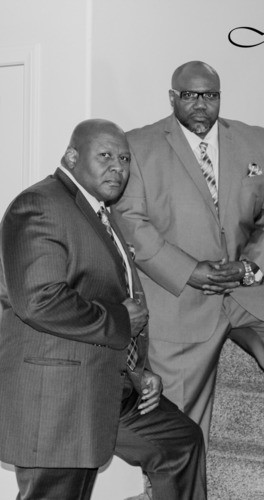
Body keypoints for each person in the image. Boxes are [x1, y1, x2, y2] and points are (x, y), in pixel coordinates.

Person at [113, 60, 264, 445]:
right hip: (180, 295)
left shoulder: (254, 139)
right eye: (190, 95)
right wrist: (190, 271)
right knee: (177, 426)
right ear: (172, 97)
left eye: (210, 95)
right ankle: (181, 476)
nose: (201, 105)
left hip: (249, 288)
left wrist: (251, 266)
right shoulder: (138, 145)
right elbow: (131, 222)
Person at [0, 119, 206, 500]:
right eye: (106, 155)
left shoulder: (99, 213)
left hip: (111, 384)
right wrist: (121, 319)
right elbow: (39, 300)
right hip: (60, 396)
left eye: (124, 159)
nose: (118, 167)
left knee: (180, 443)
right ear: (71, 157)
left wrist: (140, 371)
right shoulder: (39, 205)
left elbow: (110, 290)